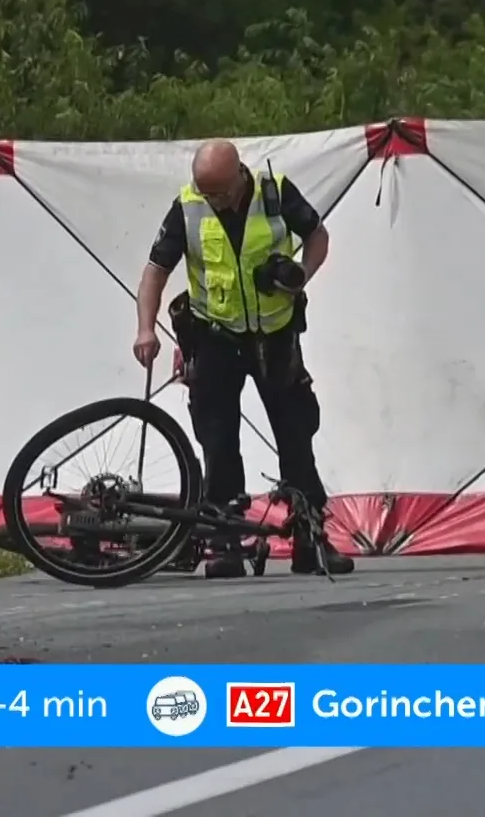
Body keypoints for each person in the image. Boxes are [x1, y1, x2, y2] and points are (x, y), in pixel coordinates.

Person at [135, 139, 354, 578]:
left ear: (239, 175)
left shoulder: (275, 192)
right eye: (205, 190)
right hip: (215, 336)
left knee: (295, 434)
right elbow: (154, 272)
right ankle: (224, 541)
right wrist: (145, 328)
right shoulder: (188, 206)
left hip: (274, 335)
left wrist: (300, 279)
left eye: (219, 191)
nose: (212, 200)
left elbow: (318, 236)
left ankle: (310, 538)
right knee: (217, 440)